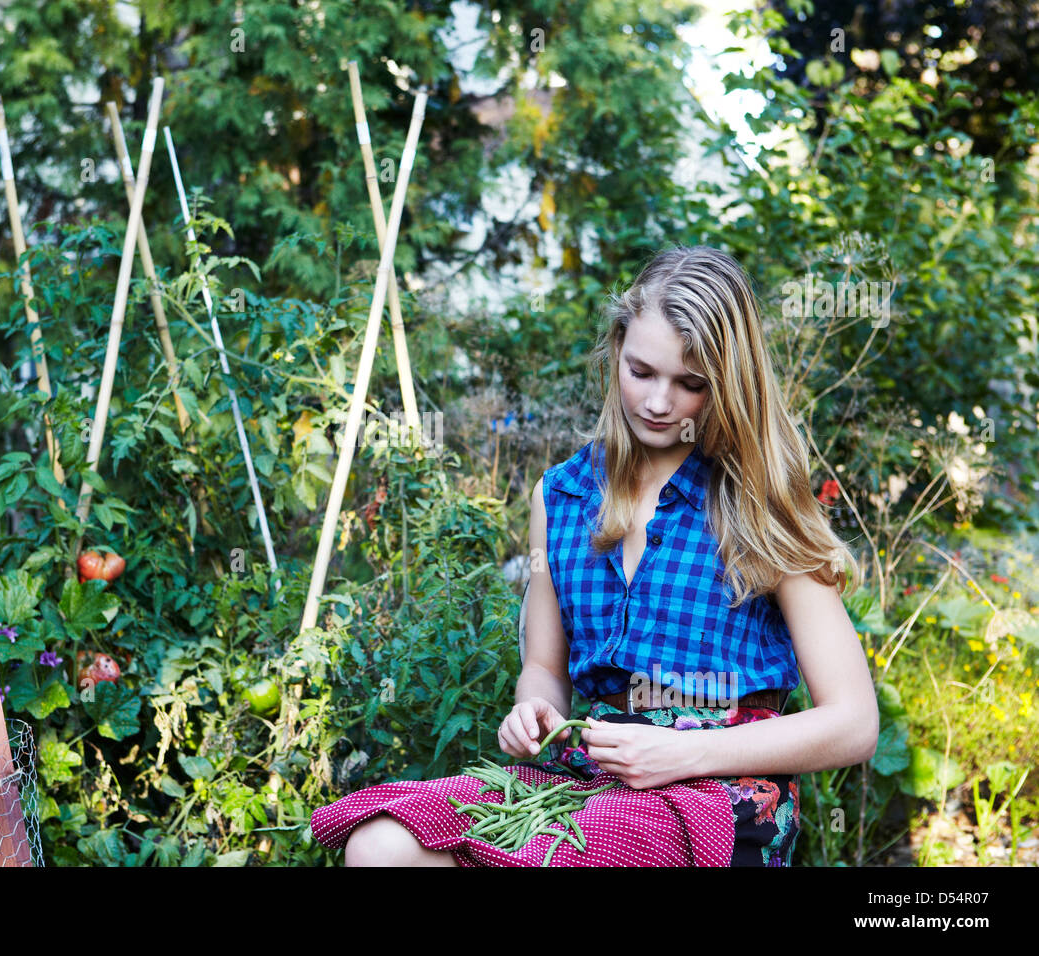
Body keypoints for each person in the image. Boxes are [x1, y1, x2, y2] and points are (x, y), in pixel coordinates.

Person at [312, 245, 880, 866]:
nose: (659, 403)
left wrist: (685, 753)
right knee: (381, 843)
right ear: (616, 352)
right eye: (641, 372)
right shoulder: (560, 498)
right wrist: (533, 714)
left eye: (690, 384)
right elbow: (547, 670)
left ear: (725, 385)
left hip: (720, 794)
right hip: (590, 780)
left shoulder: (757, 501)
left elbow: (853, 722)